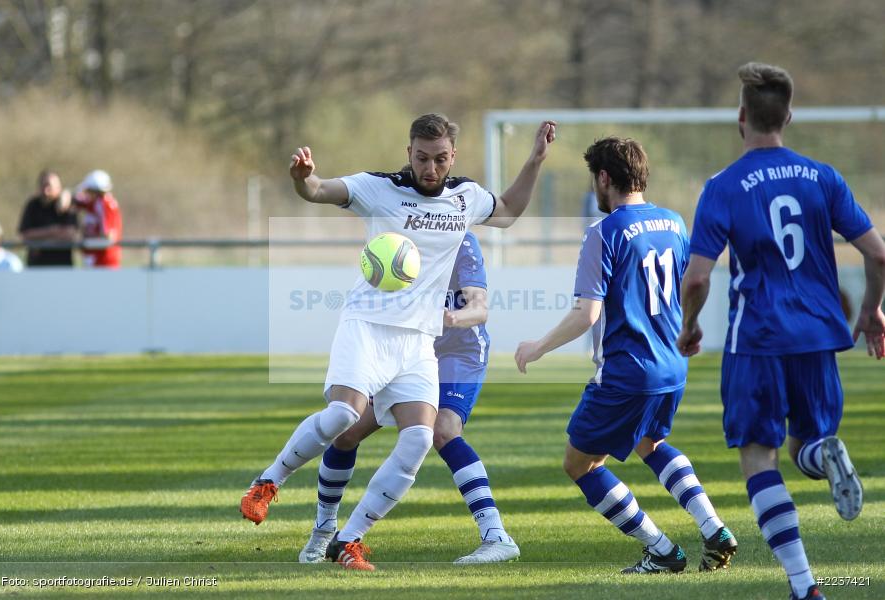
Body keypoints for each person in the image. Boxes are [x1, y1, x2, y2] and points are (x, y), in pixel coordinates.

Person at [240, 114, 555, 570]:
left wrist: (536, 159)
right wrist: (303, 181)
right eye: (422, 158)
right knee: (344, 416)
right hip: (367, 325)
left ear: (453, 158)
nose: (430, 168)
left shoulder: (465, 199)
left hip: (418, 342)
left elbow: (507, 210)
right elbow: (321, 191)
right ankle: (268, 482)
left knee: (419, 439)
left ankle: (349, 540)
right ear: (409, 153)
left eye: (440, 159)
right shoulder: (378, 188)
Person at [676, 62, 885, 600]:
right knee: (805, 446)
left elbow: (698, 276)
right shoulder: (823, 176)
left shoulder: (723, 186)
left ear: (741, 117)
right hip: (820, 334)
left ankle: (805, 585)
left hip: (758, 338)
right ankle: (824, 456)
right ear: (788, 116)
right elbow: (879, 255)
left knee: (758, 454)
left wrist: (691, 325)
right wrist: (871, 310)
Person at [515, 137, 736, 574]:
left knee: (578, 463)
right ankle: (713, 527)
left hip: (627, 371)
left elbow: (587, 314)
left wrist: (537, 347)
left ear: (603, 178)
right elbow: (691, 282)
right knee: (649, 443)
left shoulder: (604, 232)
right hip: (673, 364)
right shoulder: (673, 223)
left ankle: (661, 550)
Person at [298, 231, 520, 565]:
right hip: (408, 347)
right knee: (346, 431)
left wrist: (451, 318)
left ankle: (497, 536)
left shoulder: (461, 239)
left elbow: (480, 308)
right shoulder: (394, 233)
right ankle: (324, 530)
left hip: (459, 349)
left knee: (443, 429)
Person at [17, 170, 79, 267]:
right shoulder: (33, 205)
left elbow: (70, 234)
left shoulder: (66, 205)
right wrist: (53, 231)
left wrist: (38, 239)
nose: (46, 190)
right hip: (36, 267)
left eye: (49, 186)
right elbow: (25, 235)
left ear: (58, 188)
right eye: (43, 185)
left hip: (62, 266)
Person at [74, 170, 123, 268]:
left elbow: (108, 236)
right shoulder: (96, 202)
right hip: (95, 259)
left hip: (103, 261)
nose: (86, 194)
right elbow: (77, 200)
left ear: (95, 191)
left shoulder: (105, 204)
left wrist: (85, 240)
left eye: (88, 191)